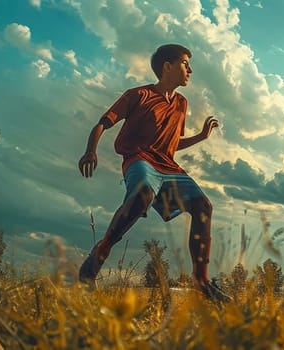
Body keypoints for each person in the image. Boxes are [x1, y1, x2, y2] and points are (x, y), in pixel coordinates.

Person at [77, 43, 230, 302]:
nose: (190, 70)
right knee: (142, 194)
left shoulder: (181, 103)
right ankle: (98, 255)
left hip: (169, 167)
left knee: (204, 206)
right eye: (185, 63)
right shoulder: (138, 95)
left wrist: (202, 137)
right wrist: (91, 151)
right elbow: (103, 123)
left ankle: (202, 281)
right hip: (140, 160)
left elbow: (172, 143)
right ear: (167, 67)